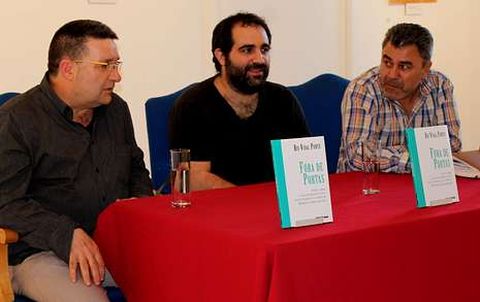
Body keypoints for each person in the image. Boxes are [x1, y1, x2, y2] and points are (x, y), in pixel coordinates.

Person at [0, 19, 152, 301]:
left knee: (186, 274)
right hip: (41, 253)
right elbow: (5, 201)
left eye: (117, 64)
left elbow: (136, 170)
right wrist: (66, 233)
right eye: (105, 66)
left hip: (112, 244)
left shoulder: (116, 110)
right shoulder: (17, 120)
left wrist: (139, 204)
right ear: (68, 68)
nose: (116, 76)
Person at [169, 12, 310, 190]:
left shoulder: (283, 100)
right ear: (221, 56)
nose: (259, 59)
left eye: (264, 49)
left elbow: (303, 166)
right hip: (220, 210)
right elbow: (190, 181)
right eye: (247, 50)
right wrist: (248, 201)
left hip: (275, 208)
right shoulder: (193, 105)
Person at [337, 23, 461, 173]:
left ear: (425, 69)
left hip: (421, 188)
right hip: (367, 190)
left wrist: (388, 154)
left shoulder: (440, 86)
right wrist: (421, 157)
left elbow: (452, 145)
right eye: (387, 62)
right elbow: (359, 156)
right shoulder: (363, 90)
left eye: (404, 67)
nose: (391, 75)